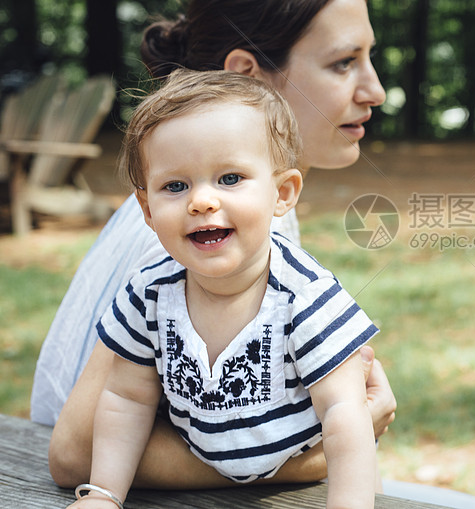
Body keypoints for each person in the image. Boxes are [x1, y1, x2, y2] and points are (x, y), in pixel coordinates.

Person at [37, 0, 475, 508]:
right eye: (342, 62)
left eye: (368, 59)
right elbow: (73, 454)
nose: (374, 90)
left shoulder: (234, 225)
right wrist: (317, 458)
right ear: (248, 76)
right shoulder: (171, 238)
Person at [68, 69, 379, 509]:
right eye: (175, 186)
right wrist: (104, 494)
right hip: (199, 484)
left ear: (283, 193)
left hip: (305, 486)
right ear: (147, 209)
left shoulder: (304, 298)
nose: (201, 201)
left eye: (230, 178)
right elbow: (126, 398)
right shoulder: (150, 292)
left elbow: (345, 417)